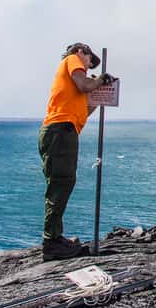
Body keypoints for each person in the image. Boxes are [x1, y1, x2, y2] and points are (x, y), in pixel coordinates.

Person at [38, 42, 116, 261]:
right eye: (90, 61)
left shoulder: (75, 83)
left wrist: (100, 92)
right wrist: (100, 80)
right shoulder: (73, 59)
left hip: (64, 131)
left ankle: (54, 237)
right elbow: (83, 85)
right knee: (60, 183)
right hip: (60, 130)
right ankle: (52, 241)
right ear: (81, 52)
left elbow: (84, 109)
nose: (89, 68)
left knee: (63, 182)